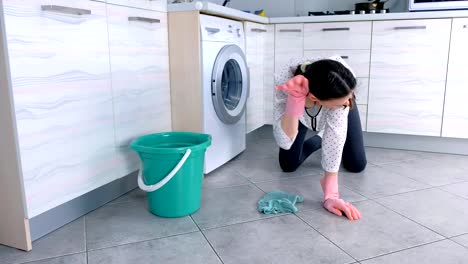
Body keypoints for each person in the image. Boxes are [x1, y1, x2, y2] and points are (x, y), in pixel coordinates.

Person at [273, 56, 367, 220]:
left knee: (356, 164)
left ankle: (325, 135)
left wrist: (331, 195)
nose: (349, 103)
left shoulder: (344, 93)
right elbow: (284, 141)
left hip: (338, 97)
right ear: (315, 98)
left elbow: (336, 137)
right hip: (301, 109)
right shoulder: (286, 80)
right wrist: (295, 101)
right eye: (344, 103)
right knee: (288, 164)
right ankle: (319, 139)